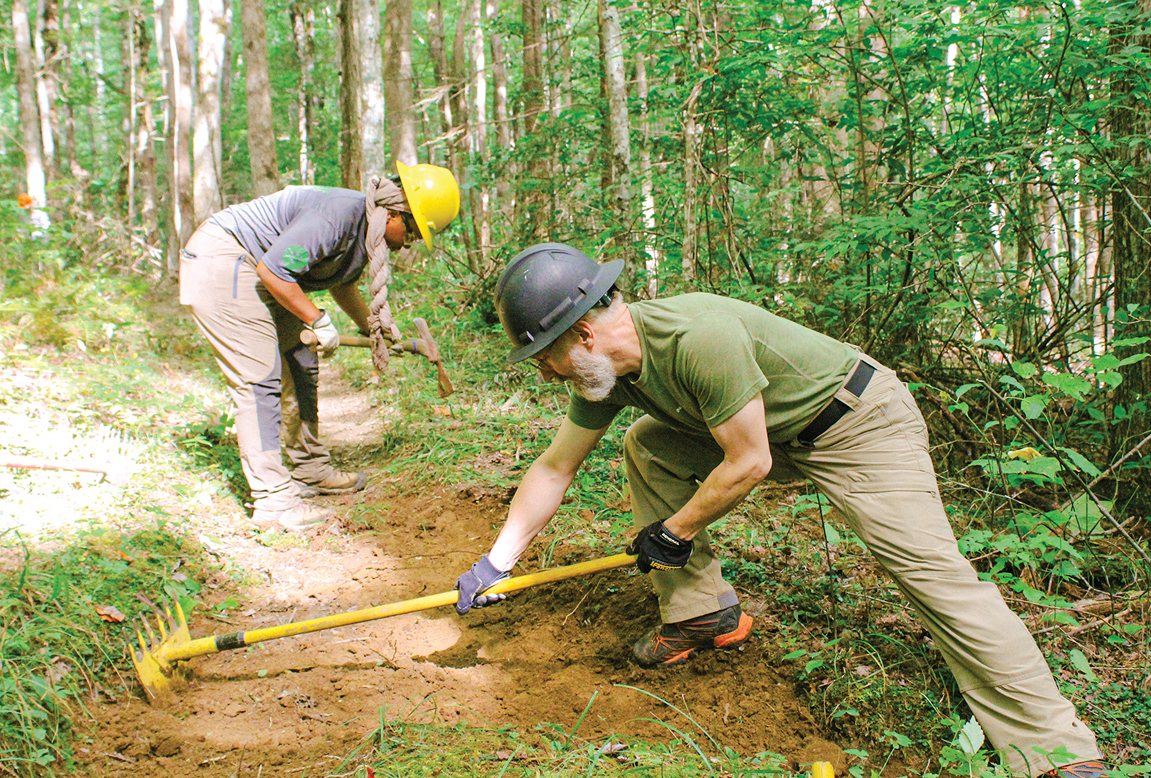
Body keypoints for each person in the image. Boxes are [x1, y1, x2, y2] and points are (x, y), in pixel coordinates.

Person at [453, 243, 1109, 778]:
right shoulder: (605, 373)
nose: (547, 376)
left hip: (857, 422)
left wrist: (673, 532)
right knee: (647, 445)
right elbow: (555, 466)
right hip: (775, 432)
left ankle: (1057, 748)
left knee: (935, 579)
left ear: (585, 332)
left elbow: (749, 463)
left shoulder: (695, 339)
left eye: (547, 359)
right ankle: (702, 612)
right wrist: (496, 562)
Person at [179, 163, 459, 532]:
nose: (408, 243)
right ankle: (274, 501)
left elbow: (342, 286)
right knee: (260, 379)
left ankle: (309, 467)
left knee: (300, 360)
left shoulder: (364, 229)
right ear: (394, 213)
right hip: (226, 261)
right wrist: (317, 319)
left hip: (259, 268)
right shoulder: (338, 215)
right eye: (411, 232)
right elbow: (275, 270)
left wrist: (376, 332)